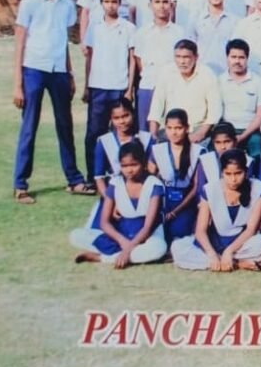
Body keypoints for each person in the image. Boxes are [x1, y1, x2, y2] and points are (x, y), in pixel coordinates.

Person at [13, 0, 89, 203]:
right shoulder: (29, 2)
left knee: (65, 126)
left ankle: (74, 180)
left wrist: (70, 74)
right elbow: (20, 43)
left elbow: (62, 41)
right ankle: (20, 184)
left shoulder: (67, 4)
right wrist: (18, 84)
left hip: (59, 71)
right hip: (33, 69)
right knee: (29, 127)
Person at [69, 142, 166, 267]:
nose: (129, 170)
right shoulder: (115, 183)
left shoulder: (154, 184)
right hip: (122, 234)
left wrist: (128, 249)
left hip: (146, 235)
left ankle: (102, 258)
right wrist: (123, 242)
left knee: (158, 249)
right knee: (75, 236)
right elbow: (104, 223)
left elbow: (148, 227)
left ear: (143, 163)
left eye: (134, 165)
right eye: (124, 166)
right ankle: (126, 254)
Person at [170, 149, 261, 271]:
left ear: (246, 171)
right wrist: (212, 254)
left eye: (238, 173)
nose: (233, 179)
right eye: (228, 174)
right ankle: (236, 263)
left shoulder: (258, 188)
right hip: (215, 241)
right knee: (178, 249)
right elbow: (200, 231)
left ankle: (228, 260)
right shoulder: (210, 189)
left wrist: (229, 251)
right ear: (222, 173)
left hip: (241, 243)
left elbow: (251, 230)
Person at [82, 0, 136, 182]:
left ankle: (119, 175)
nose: (111, 5)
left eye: (114, 1)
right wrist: (86, 86)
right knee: (94, 133)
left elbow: (132, 59)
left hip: (119, 87)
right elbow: (89, 58)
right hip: (98, 87)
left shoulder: (128, 28)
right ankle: (93, 176)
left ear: (120, 3)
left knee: (121, 132)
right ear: (101, 3)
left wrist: (129, 89)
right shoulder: (94, 27)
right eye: (107, 2)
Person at [85, 97, 155, 230]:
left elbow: (153, 172)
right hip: (114, 195)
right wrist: (112, 202)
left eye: (125, 116)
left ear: (133, 114)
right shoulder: (104, 141)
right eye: (116, 118)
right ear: (111, 119)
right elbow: (99, 178)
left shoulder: (147, 139)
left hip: (141, 194)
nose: (122, 121)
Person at [133, 0, 189, 127]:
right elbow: (138, 59)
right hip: (148, 85)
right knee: (146, 129)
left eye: (165, 2)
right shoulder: (142, 33)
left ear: (171, 5)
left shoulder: (180, 32)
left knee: (172, 128)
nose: (161, 6)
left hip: (173, 87)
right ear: (150, 5)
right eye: (157, 2)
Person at [147, 39, 222, 144]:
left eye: (186, 57)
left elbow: (215, 111)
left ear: (196, 57)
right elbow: (156, 106)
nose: (182, 62)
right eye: (178, 57)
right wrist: (153, 135)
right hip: (170, 130)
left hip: (197, 130)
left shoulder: (207, 74)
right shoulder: (166, 72)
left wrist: (199, 134)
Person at [148, 109, 204, 242]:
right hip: (163, 200)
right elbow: (150, 181)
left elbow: (196, 187)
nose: (173, 132)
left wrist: (176, 211)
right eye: (169, 128)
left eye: (178, 128)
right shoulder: (157, 150)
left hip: (186, 202)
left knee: (179, 232)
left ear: (187, 128)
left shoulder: (198, 151)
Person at [219, 39, 261, 157]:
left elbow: (260, 115)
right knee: (212, 154)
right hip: (226, 131)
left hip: (251, 131)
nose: (237, 61)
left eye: (241, 57)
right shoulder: (219, 81)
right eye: (233, 57)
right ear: (227, 58)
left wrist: (242, 136)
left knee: (257, 154)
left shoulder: (258, 82)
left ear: (247, 58)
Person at [191, 0, 239, 75]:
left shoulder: (235, 21)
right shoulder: (196, 18)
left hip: (227, 74)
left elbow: (237, 51)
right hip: (201, 73)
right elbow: (189, 48)